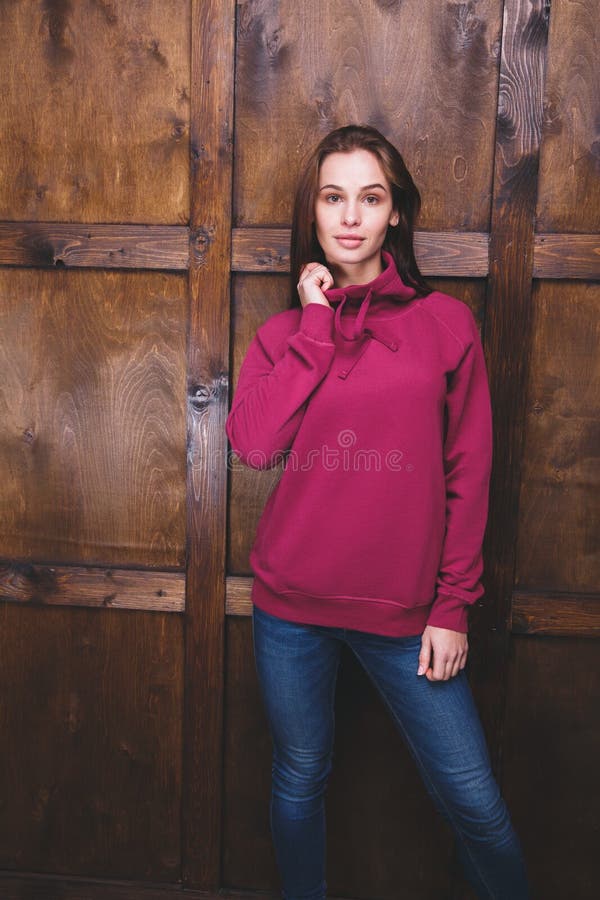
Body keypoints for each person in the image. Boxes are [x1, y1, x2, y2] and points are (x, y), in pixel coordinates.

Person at [226, 124, 530, 900]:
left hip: (408, 616)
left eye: (371, 197)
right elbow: (254, 448)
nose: (351, 215)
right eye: (334, 198)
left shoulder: (445, 327)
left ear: (396, 213)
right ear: (315, 212)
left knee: (474, 800)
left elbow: (471, 471)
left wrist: (453, 605)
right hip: (290, 607)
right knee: (300, 779)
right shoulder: (283, 336)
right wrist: (317, 327)